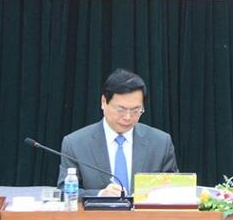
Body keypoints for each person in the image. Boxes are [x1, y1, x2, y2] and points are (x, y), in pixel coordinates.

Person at [57, 69, 178, 197]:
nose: (127, 117)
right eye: (121, 110)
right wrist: (100, 195)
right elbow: (64, 191)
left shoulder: (160, 143)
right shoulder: (76, 144)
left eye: (136, 110)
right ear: (104, 102)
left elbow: (175, 190)